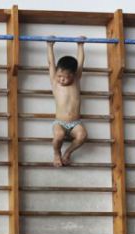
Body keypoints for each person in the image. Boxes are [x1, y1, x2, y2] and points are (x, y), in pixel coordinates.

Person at [47, 37, 87, 167]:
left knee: (82, 136)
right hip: (60, 122)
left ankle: (68, 153)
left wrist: (80, 45)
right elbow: (50, 63)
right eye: (60, 76)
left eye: (66, 77)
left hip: (75, 123)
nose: (62, 79)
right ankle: (56, 153)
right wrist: (49, 46)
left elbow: (80, 62)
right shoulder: (54, 82)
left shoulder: (76, 80)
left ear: (74, 75)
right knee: (58, 136)